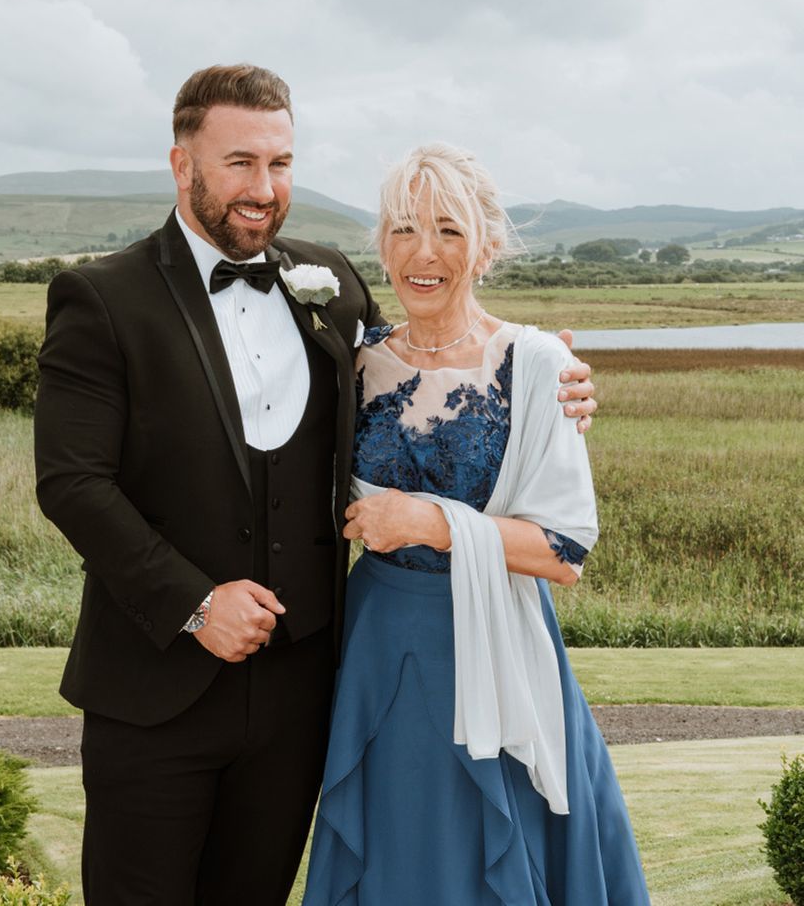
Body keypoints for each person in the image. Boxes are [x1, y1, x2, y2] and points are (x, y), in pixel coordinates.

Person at [33, 66, 597, 906]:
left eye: (282, 164)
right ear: (182, 163)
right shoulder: (103, 297)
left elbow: (443, 355)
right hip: (157, 688)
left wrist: (568, 385)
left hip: (311, 691)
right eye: (240, 163)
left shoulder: (327, 288)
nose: (264, 189)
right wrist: (195, 604)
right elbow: (72, 483)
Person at [301, 143, 650, 905]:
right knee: (393, 850)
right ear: (379, 247)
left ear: (487, 247)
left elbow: (563, 552)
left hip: (496, 649)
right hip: (379, 649)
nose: (423, 253)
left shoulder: (535, 364)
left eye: (449, 231)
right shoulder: (345, 365)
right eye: (402, 230)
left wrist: (432, 522)